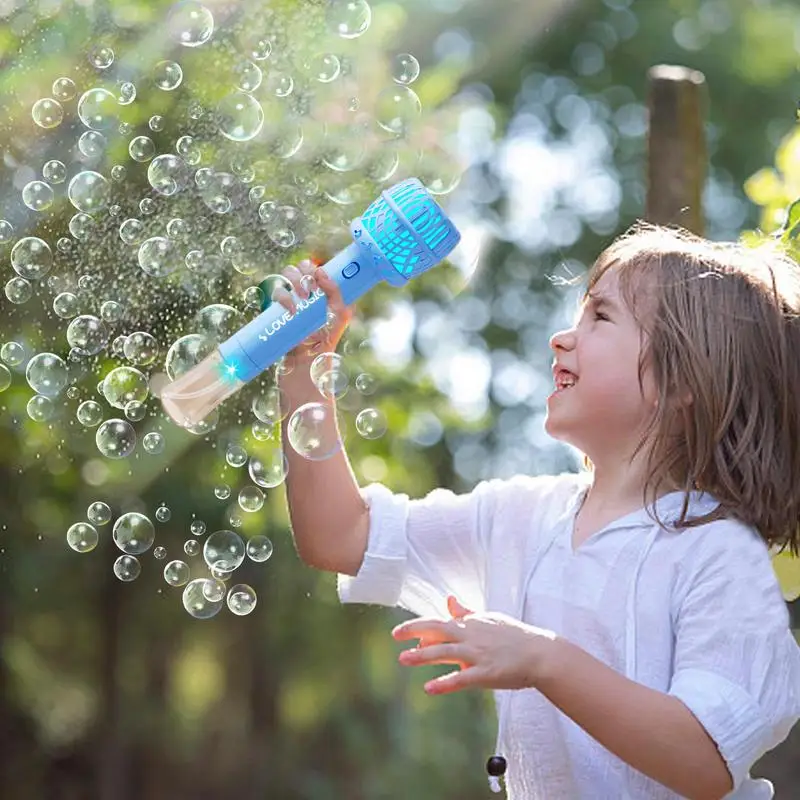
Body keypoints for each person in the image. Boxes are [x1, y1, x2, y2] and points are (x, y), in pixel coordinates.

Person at [272, 222, 800, 799]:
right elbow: (340, 535)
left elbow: (705, 759)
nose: (561, 337)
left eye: (600, 317)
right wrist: (306, 364)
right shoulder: (520, 516)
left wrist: (542, 658)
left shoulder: (718, 553)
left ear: (681, 380)